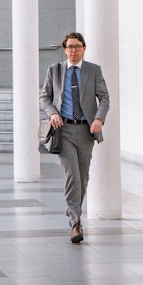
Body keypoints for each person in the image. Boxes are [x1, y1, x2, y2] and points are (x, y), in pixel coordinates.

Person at [39, 31, 110, 244]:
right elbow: (44, 96)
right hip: (65, 130)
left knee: (83, 177)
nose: (73, 50)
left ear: (84, 48)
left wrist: (99, 119)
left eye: (77, 46)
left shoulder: (93, 71)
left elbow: (104, 98)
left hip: (87, 131)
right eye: (70, 46)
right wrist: (52, 113)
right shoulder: (55, 71)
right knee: (72, 176)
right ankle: (76, 222)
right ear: (64, 49)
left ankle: (74, 211)